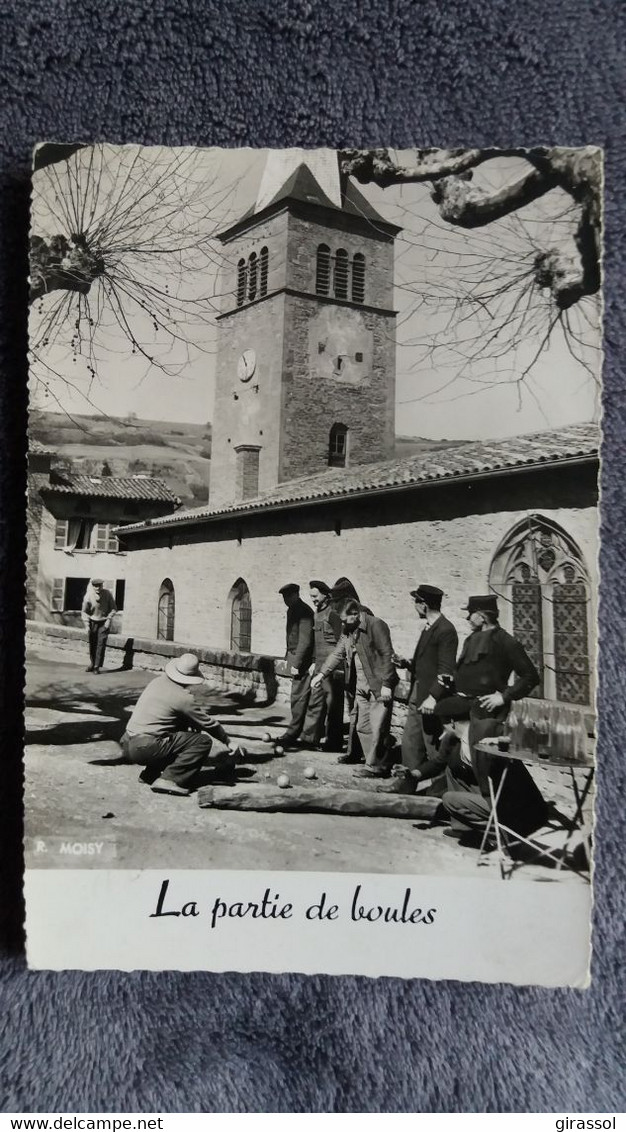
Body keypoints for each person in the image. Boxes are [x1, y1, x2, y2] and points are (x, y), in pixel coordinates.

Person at [438, 595, 547, 839]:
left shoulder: (505, 641)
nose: (467, 617)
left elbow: (530, 677)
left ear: (483, 615)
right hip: (463, 713)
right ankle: (465, 825)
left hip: (488, 717)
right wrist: (451, 680)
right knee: (456, 762)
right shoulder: (470, 639)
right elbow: (465, 672)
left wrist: (504, 696)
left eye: (470, 613)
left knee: (488, 772)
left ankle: (501, 827)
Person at [121, 652, 244, 796]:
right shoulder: (183, 697)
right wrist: (228, 742)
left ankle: (150, 774)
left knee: (178, 731)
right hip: (144, 748)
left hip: (126, 743)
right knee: (202, 741)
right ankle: (171, 779)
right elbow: (208, 723)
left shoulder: (157, 681)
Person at [313, 599, 398, 776]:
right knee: (362, 726)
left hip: (378, 684)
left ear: (356, 614)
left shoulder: (376, 625)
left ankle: (377, 766)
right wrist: (321, 674)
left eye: (345, 620)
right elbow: (338, 653)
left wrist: (387, 684)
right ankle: (372, 763)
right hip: (359, 684)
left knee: (378, 727)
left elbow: (387, 654)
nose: (342, 624)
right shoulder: (348, 630)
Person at [391, 584, 458, 786]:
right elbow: (426, 663)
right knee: (410, 742)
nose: (414, 607)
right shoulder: (428, 627)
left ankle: (440, 791)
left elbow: (446, 670)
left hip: (430, 699)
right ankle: (406, 785)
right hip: (417, 692)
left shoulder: (446, 630)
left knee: (433, 747)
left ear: (423, 605)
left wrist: (433, 697)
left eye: (416, 602)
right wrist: (406, 663)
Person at [300, 580, 344, 751]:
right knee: (315, 701)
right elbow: (314, 642)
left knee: (333, 705)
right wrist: (312, 662)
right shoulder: (316, 614)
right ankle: (309, 738)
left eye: (316, 596)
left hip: (332, 667)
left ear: (325, 595)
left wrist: (339, 666)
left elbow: (343, 640)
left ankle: (333, 742)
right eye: (311, 597)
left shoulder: (333, 615)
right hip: (318, 665)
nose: (313, 600)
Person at [278, 583, 315, 749]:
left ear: (296, 594)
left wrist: (297, 662)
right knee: (298, 697)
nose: (285, 600)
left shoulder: (304, 612)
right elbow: (291, 637)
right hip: (294, 657)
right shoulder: (292, 610)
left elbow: (305, 640)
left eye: (288, 596)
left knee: (298, 698)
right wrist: (288, 657)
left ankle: (293, 734)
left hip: (303, 661)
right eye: (284, 597)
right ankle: (300, 733)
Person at [81, 578, 116, 674]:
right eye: (95, 586)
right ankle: (92, 664)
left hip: (104, 622)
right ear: (93, 586)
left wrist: (108, 619)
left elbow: (113, 608)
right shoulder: (88, 596)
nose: (98, 588)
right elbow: (84, 611)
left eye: (99, 585)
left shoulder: (107, 594)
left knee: (101, 644)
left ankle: (97, 666)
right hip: (93, 622)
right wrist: (87, 625)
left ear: (102, 586)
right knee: (93, 643)